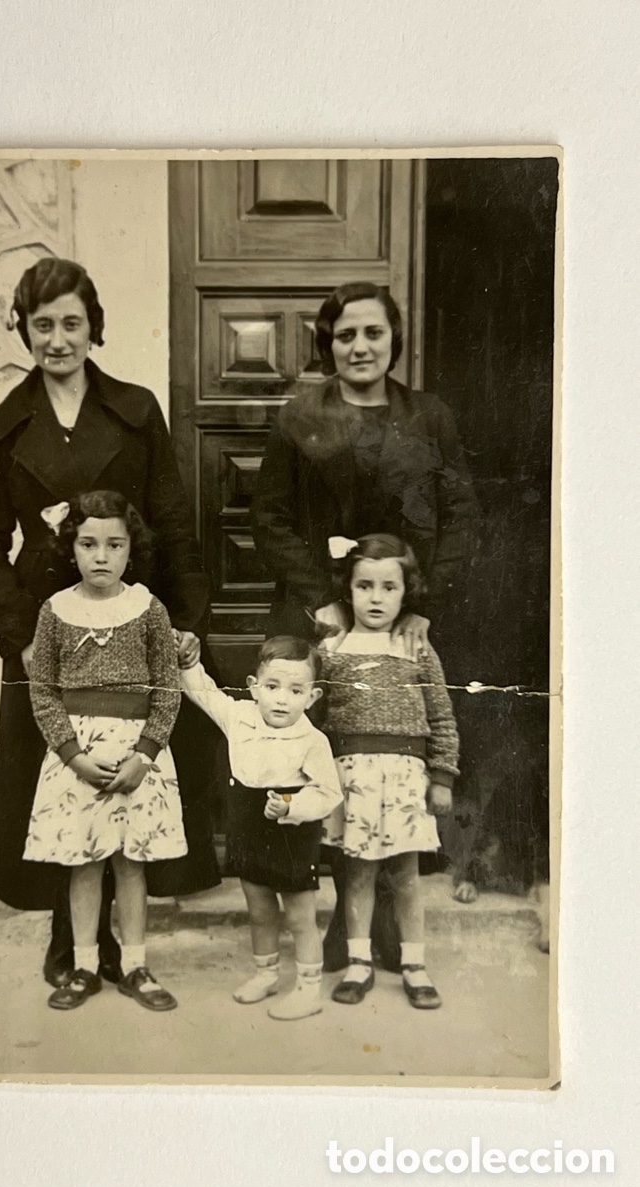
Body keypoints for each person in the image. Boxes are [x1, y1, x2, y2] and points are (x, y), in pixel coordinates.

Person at [0, 257, 218, 990]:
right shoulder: (7, 424)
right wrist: (19, 627)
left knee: (133, 778)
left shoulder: (135, 411)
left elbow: (171, 522)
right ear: (25, 329)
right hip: (48, 633)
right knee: (55, 781)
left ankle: (125, 939)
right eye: (42, 324)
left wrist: (185, 617)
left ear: (92, 326)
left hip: (130, 629)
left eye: (71, 323)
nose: (57, 339)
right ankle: (68, 938)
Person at [250, 281, 479, 972]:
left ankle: (386, 928)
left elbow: (460, 514)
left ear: (393, 339)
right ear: (330, 344)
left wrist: (422, 605)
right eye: (346, 335)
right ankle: (320, 927)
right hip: (317, 610)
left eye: (373, 333)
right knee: (322, 759)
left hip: (398, 616)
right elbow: (270, 518)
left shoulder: (429, 417)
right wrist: (319, 597)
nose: (359, 347)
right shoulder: (299, 416)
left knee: (392, 760)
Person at [25, 491, 185, 1011]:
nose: (101, 556)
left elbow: (166, 688)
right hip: (78, 760)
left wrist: (145, 754)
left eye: (113, 545)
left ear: (129, 549)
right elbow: (43, 690)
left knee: (132, 864)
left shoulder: (147, 609)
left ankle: (136, 965)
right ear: (70, 548)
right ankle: (85, 965)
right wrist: (72, 754)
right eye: (88, 544)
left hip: (137, 755)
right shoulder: (56, 611)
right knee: (85, 864)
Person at [319, 534, 459, 1009]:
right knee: (356, 874)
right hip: (352, 778)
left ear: (406, 592)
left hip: (404, 779)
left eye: (387, 588)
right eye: (364, 586)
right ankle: (359, 963)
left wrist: (441, 776)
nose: (376, 598)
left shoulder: (415, 646)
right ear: (348, 589)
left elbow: (440, 714)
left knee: (405, 875)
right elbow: (317, 714)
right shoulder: (333, 648)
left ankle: (414, 964)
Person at [180, 636, 342, 1020]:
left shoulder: (313, 740)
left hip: (291, 834)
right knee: (260, 912)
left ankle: (308, 988)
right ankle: (266, 974)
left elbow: (328, 792)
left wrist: (291, 805)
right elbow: (203, 692)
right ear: (254, 687)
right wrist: (187, 662)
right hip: (248, 827)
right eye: (272, 687)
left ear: (313, 696)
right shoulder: (239, 716)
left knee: (300, 917)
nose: (282, 699)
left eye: (296, 690)